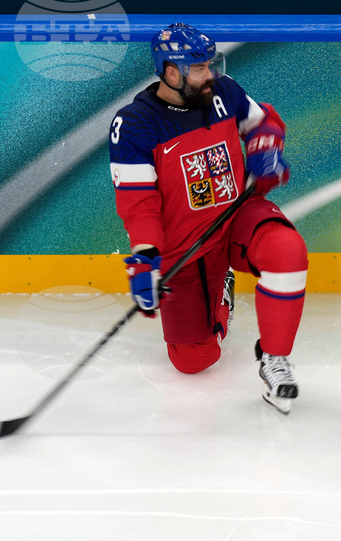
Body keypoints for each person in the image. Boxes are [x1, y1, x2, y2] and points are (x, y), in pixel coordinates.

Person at [108, 23, 308, 414]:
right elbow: (138, 202)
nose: (209, 74)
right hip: (186, 244)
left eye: (208, 65)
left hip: (236, 216)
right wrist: (147, 255)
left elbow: (263, 121)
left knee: (287, 250)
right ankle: (221, 294)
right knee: (193, 362)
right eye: (198, 68)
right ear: (170, 72)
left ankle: (274, 358)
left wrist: (265, 148)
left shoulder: (223, 92)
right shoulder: (134, 124)